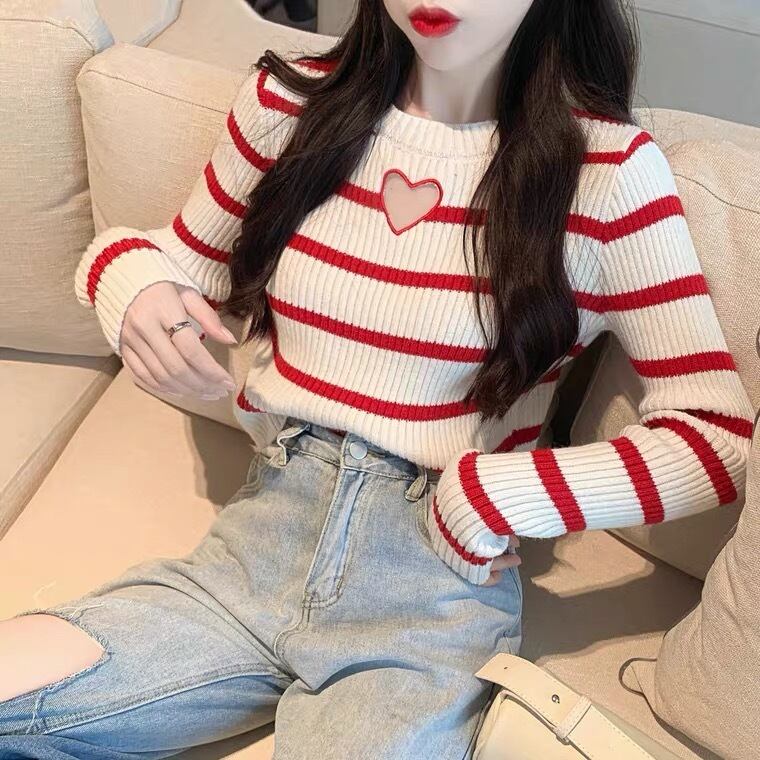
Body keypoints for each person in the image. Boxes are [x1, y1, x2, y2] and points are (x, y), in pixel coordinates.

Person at [0, 0, 754, 757]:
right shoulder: (286, 106)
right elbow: (176, 258)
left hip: (429, 593)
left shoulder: (607, 175)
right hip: (255, 543)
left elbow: (715, 434)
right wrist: (129, 284)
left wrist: (501, 495)